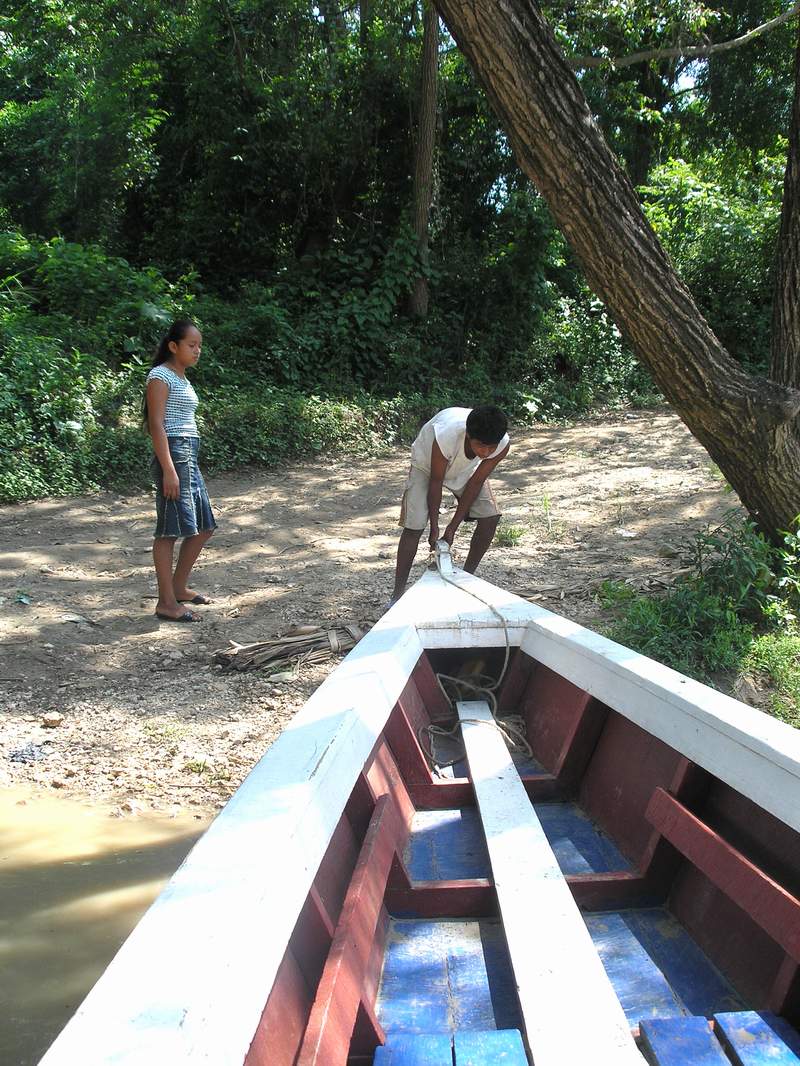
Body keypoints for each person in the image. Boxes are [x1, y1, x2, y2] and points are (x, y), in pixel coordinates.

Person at [391, 405, 510, 603]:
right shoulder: (446, 435)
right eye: (481, 446)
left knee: (490, 517)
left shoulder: (502, 444)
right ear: (468, 435)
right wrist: (434, 527)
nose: (486, 452)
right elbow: (436, 481)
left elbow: (476, 483)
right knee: (414, 526)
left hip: (466, 470)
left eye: (491, 447)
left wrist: (452, 528)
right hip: (426, 467)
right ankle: (397, 595)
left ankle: (465, 581)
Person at [144, 320, 216, 622]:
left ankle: (178, 588)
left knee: (204, 527)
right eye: (191, 345)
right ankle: (166, 603)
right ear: (173, 346)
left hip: (188, 454)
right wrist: (169, 470)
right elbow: (156, 424)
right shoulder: (160, 376)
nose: (197, 350)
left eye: (200, 345)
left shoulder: (182, 377)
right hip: (174, 453)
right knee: (169, 530)